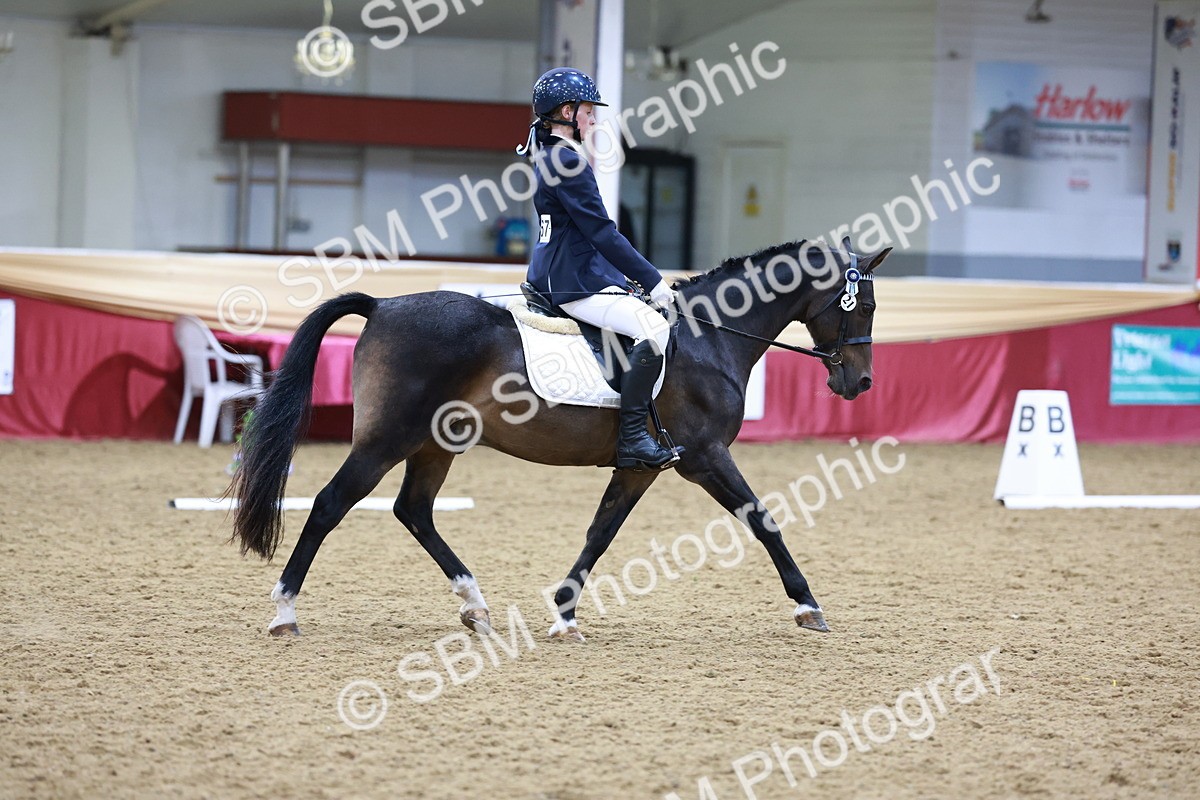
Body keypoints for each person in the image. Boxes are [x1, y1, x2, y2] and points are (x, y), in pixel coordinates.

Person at [518, 67, 682, 472]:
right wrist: (653, 281)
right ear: (567, 112)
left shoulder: (553, 155)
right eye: (589, 111)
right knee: (655, 329)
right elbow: (603, 234)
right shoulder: (567, 160)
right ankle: (633, 439)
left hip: (564, 271)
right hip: (570, 282)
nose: (594, 120)